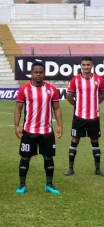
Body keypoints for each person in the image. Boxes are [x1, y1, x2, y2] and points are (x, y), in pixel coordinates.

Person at [14, 61, 63, 195]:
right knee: (25, 158)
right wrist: (17, 126)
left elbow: (57, 108)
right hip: (29, 132)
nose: (38, 75)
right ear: (31, 74)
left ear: (44, 74)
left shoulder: (51, 89)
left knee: (48, 157)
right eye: (36, 72)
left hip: (46, 132)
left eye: (41, 72)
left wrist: (60, 125)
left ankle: (49, 184)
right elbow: (18, 109)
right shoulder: (24, 89)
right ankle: (22, 185)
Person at [65, 56, 104, 176]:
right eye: (84, 65)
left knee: (95, 141)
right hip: (79, 117)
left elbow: (102, 94)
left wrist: (96, 103)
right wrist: (77, 106)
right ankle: (70, 168)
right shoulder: (75, 80)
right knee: (74, 140)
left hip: (94, 117)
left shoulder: (99, 80)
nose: (86, 67)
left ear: (92, 65)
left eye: (88, 65)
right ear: (80, 66)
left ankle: (97, 169)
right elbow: (69, 96)